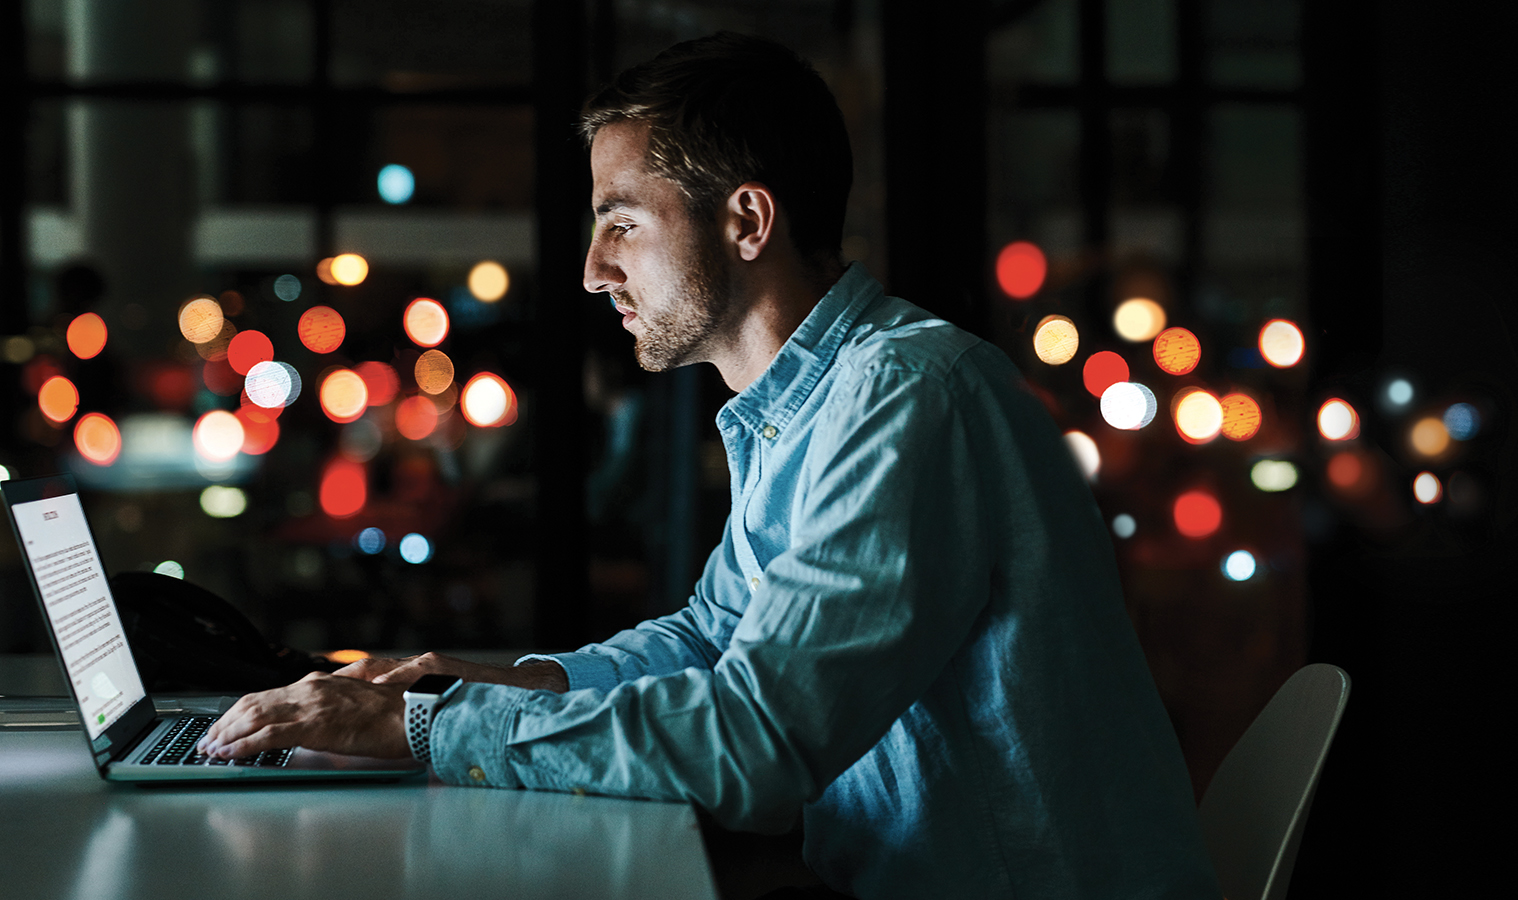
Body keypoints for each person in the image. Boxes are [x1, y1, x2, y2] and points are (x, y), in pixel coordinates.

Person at [201, 33, 1219, 900]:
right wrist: (463, 682)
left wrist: (424, 729)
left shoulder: (908, 398)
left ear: (745, 221)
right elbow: (712, 641)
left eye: (620, 223)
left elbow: (752, 744)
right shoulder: (808, 407)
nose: (597, 270)